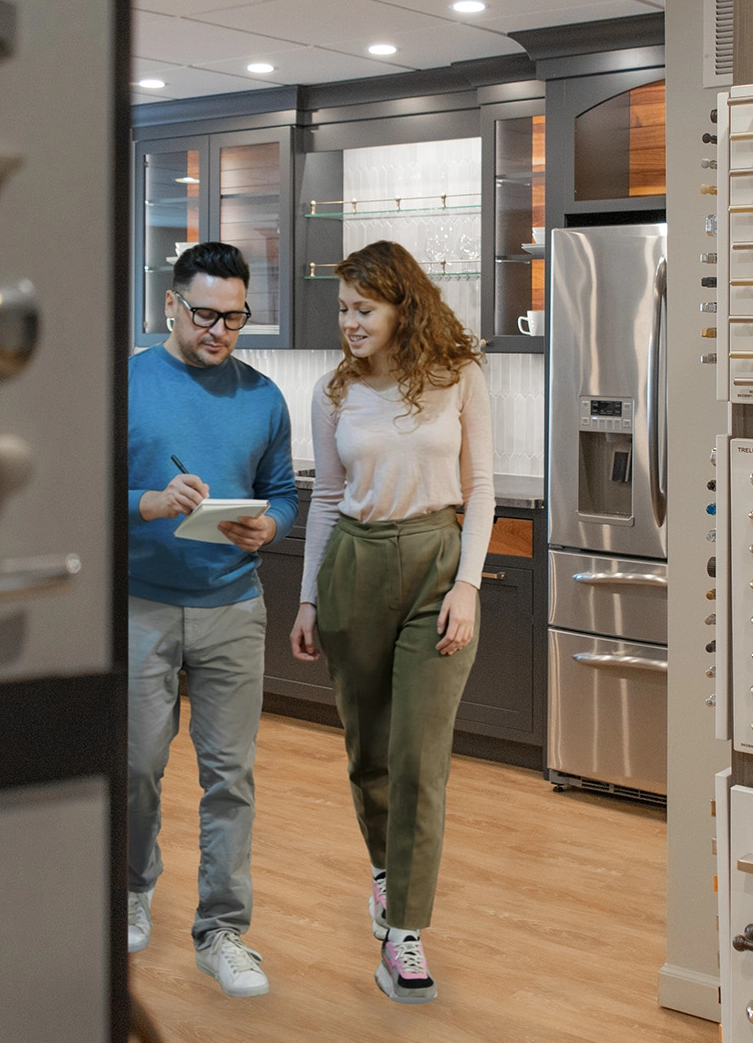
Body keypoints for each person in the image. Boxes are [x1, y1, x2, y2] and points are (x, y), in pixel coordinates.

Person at [290, 240, 494, 1004]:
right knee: (366, 748)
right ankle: (385, 870)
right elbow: (326, 499)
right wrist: (309, 598)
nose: (349, 322)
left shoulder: (458, 376)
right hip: (354, 565)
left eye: (362, 309)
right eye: (343, 309)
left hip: (436, 565)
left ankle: (405, 931)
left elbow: (481, 487)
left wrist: (468, 585)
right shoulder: (333, 391)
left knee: (417, 756)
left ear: (402, 306)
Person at [127, 241, 298, 998]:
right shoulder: (124, 382)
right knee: (135, 768)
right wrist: (150, 503)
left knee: (231, 778)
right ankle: (130, 891)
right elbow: (76, 489)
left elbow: (284, 492)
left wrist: (274, 527)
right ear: (170, 304)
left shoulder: (264, 396)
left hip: (233, 606)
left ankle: (223, 932)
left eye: (235, 317)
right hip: (138, 606)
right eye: (205, 315)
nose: (220, 331)